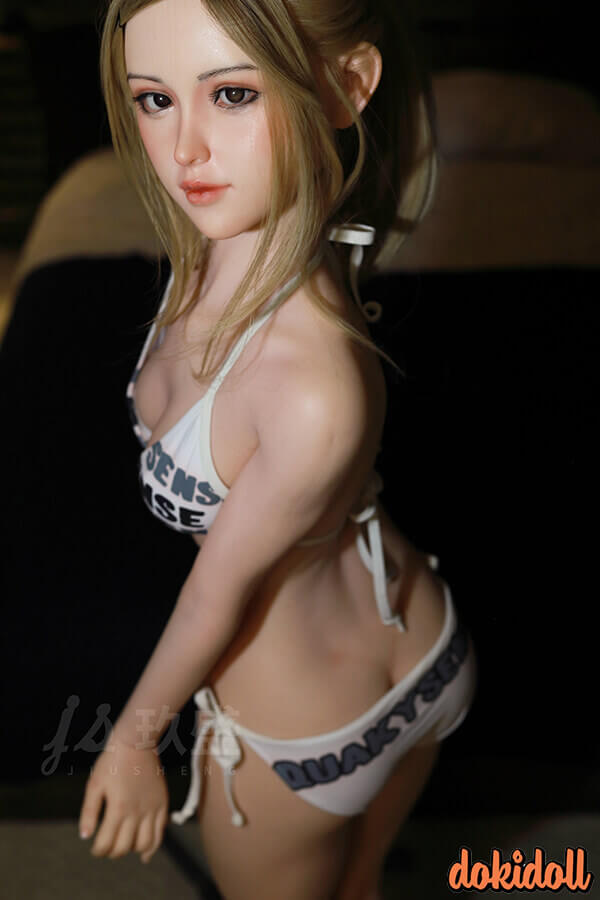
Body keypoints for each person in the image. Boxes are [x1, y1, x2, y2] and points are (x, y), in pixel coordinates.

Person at [78, 0, 476, 897]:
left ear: (347, 87)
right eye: (154, 100)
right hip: (414, 639)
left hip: (307, 735)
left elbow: (212, 596)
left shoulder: (309, 389)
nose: (184, 151)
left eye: (231, 94)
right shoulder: (236, 239)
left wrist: (134, 741)